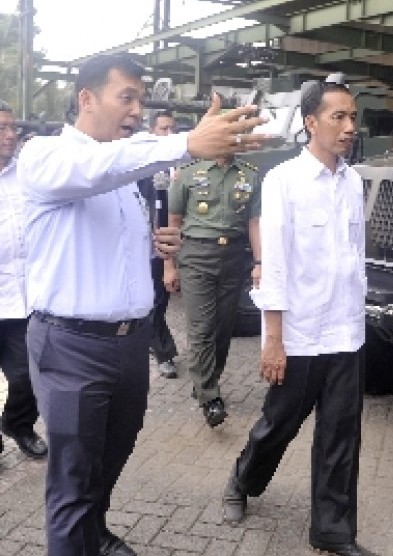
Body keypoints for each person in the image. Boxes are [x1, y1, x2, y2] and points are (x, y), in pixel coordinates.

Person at [18, 53, 268, 556]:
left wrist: (155, 246)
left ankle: (96, 532)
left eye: (140, 98)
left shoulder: (124, 174)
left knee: (112, 452)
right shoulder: (46, 155)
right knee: (72, 481)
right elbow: (92, 172)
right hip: (71, 347)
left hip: (128, 346)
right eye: (124, 97)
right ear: (86, 99)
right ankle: (79, 538)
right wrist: (185, 144)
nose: (135, 109)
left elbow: (99, 228)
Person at [221, 74, 372, 556]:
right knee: (278, 425)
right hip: (301, 335)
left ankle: (332, 532)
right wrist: (274, 339)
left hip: (346, 334)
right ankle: (243, 479)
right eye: (339, 117)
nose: (350, 126)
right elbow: (278, 265)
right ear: (311, 123)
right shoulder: (283, 181)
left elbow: (355, 258)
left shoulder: (353, 181)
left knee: (341, 437)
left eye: (353, 117)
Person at [165, 152, 261, 427]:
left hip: (233, 256)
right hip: (196, 255)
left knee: (223, 327)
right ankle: (210, 398)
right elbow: (173, 222)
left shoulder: (250, 174)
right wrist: (169, 267)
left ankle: (207, 380)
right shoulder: (187, 173)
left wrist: (259, 262)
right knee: (201, 328)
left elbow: (254, 222)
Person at [0, 100, 48, 461]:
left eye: (12, 126)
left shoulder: (26, 174)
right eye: (2, 128)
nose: (11, 134)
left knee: (27, 375)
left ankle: (18, 423)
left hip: (23, 297)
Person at [137, 110, 179, 378]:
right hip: (152, 248)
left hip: (178, 243)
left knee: (160, 303)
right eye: (163, 129)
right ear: (152, 131)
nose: (169, 134)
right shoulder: (146, 166)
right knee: (153, 303)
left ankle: (157, 347)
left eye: (172, 128)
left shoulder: (181, 163)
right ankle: (164, 353)